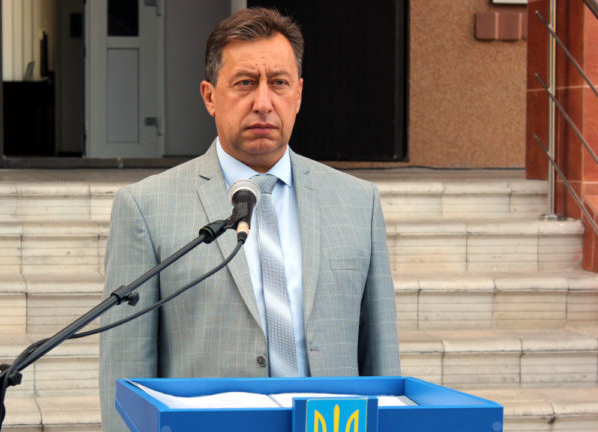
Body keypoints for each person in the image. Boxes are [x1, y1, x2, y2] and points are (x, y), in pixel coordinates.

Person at [98, 7, 400, 431]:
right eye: (244, 83)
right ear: (209, 96)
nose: (263, 102)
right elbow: (126, 371)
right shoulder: (146, 207)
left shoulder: (357, 202)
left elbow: (381, 362)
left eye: (279, 83)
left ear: (299, 93)